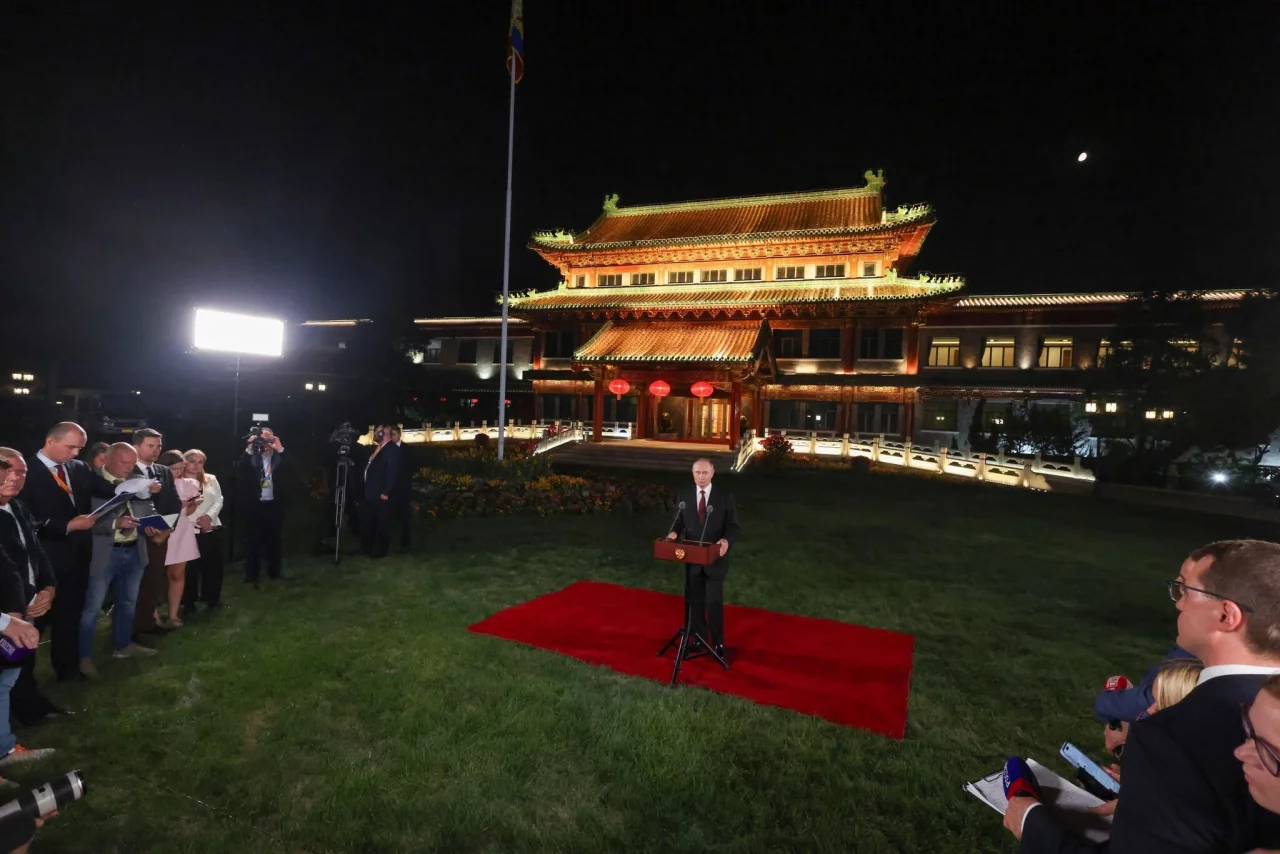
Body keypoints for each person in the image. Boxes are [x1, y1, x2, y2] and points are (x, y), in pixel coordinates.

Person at [1006, 540, 1280, 853]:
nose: (1178, 603)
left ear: (1225, 615)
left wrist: (1032, 823)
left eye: (1186, 591)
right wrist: (1150, 798)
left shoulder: (1168, 739)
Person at [80, 443, 156, 677]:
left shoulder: (138, 481)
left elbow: (148, 508)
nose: (129, 467)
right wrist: (115, 523)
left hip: (134, 550)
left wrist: (152, 523)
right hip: (105, 553)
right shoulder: (90, 482)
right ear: (107, 459)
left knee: (127, 602)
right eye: (124, 462)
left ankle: (122, 646)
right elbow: (83, 522)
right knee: (92, 608)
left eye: (132, 463)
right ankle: (84, 657)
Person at [0, 452, 55, 770]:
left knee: (8, 678)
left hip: (21, 612)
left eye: (20, 472)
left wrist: (48, 588)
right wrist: (10, 616)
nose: (14, 477)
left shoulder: (19, 507)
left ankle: (5, 748)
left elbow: (33, 555)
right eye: (7, 470)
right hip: (10, 617)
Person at [665, 458, 740, 658]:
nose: (701, 477)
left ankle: (718, 643)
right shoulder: (685, 495)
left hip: (715, 559)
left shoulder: (723, 496)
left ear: (712, 473)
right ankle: (698, 638)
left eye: (705, 472)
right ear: (693, 474)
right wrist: (673, 533)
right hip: (692, 558)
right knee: (695, 601)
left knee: (713, 602)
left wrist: (726, 541)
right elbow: (678, 522)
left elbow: (734, 526)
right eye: (697, 473)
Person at [129, 428, 178, 641]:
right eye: (151, 445)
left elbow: (173, 502)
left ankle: (147, 622)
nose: (156, 450)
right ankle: (129, 630)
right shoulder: (126, 469)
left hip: (160, 537)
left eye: (159, 446)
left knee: (153, 580)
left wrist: (166, 530)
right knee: (133, 584)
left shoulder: (163, 471)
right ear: (136, 446)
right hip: (132, 536)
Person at [236, 428, 291, 586]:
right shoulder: (252, 457)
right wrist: (249, 448)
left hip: (274, 504)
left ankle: (275, 572)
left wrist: (280, 448)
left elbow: (292, 468)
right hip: (255, 504)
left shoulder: (279, 457)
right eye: (262, 439)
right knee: (252, 541)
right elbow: (240, 470)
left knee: (274, 541)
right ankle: (252, 574)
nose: (265, 442)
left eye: (268, 438)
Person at [156, 451, 200, 627]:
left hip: (181, 530)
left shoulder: (189, 484)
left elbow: (188, 512)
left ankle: (173, 614)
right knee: (154, 575)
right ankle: (153, 615)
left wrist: (191, 504)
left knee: (177, 573)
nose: (179, 472)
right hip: (161, 529)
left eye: (181, 468)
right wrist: (176, 505)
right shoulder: (157, 485)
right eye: (174, 469)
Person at [181, 449, 225, 615]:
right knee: (189, 568)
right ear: (184, 462)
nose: (196, 466)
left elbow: (219, 499)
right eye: (192, 461)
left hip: (211, 526)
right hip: (188, 529)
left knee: (213, 565)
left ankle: (212, 599)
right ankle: (188, 602)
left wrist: (208, 516)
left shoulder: (210, 479)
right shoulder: (178, 481)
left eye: (200, 462)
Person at [361, 425, 401, 558]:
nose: (374, 433)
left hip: (381, 493)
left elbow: (392, 472)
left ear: (383, 434)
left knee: (383, 522)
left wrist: (386, 491)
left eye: (377, 431)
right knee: (370, 521)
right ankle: (368, 549)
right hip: (371, 492)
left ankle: (380, 551)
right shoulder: (379, 448)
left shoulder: (392, 449)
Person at [388, 426, 414, 551]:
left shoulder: (408, 450)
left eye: (393, 434)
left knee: (405, 515)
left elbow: (413, 466)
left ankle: (405, 542)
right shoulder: (386, 449)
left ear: (399, 435)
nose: (392, 437)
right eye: (390, 435)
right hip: (390, 488)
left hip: (403, 488)